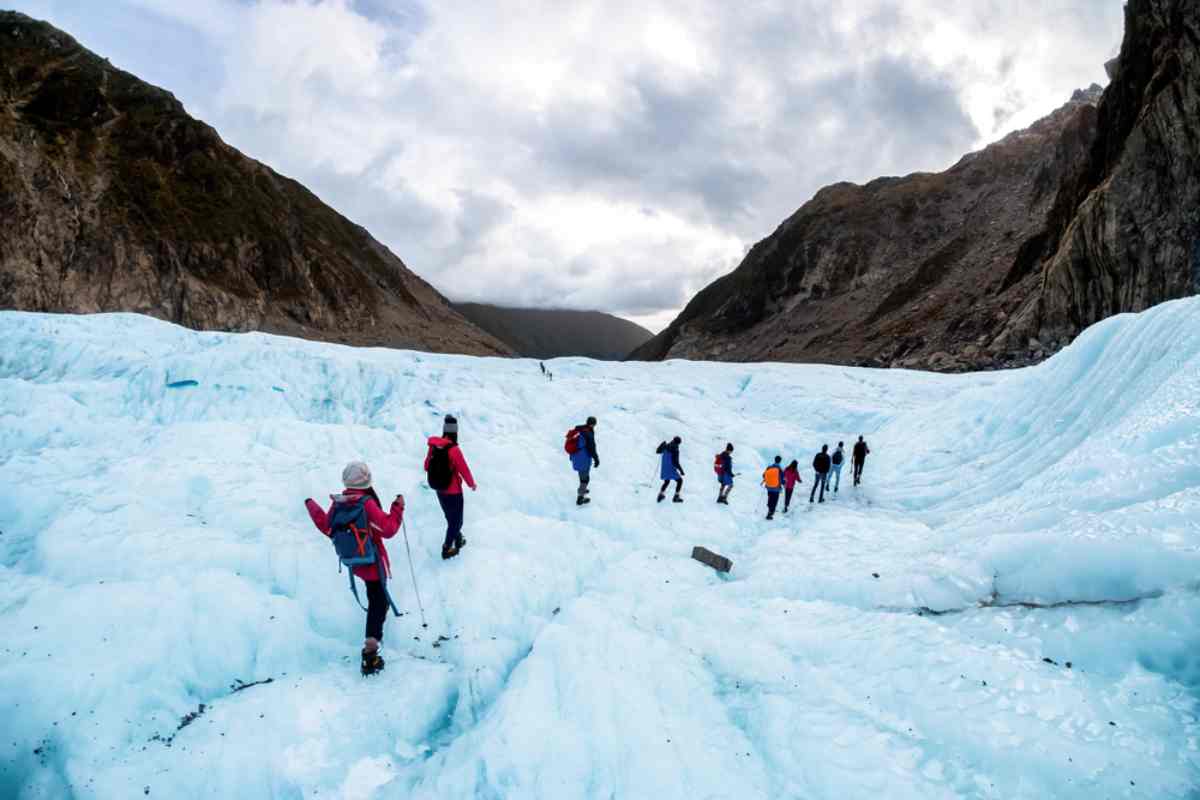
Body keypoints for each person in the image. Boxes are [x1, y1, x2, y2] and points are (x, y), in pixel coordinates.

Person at [305, 461, 405, 676]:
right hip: (373, 561)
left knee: (376, 596)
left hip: (355, 562)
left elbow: (327, 527)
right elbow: (388, 529)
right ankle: (370, 652)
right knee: (378, 599)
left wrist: (312, 506)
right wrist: (397, 508)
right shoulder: (365, 503)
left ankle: (376, 630)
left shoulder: (340, 502)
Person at [425, 414, 477, 559]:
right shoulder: (454, 450)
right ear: (455, 432)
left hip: (439, 490)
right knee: (457, 521)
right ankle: (447, 548)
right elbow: (464, 469)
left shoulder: (434, 446)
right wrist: (472, 484)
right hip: (453, 491)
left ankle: (458, 539)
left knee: (450, 517)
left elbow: (426, 466)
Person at [568, 416, 599, 506]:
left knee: (582, 474)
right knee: (585, 479)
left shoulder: (579, 429)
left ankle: (583, 489)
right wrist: (596, 459)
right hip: (583, 458)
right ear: (593, 424)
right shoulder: (588, 434)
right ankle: (580, 498)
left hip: (575, 456)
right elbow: (592, 448)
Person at [656, 436, 685, 503]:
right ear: (678, 443)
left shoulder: (666, 446)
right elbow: (676, 462)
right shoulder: (675, 450)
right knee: (680, 481)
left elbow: (657, 451)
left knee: (667, 481)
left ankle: (660, 495)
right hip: (671, 468)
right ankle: (676, 497)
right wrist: (681, 471)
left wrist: (662, 444)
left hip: (664, 468)